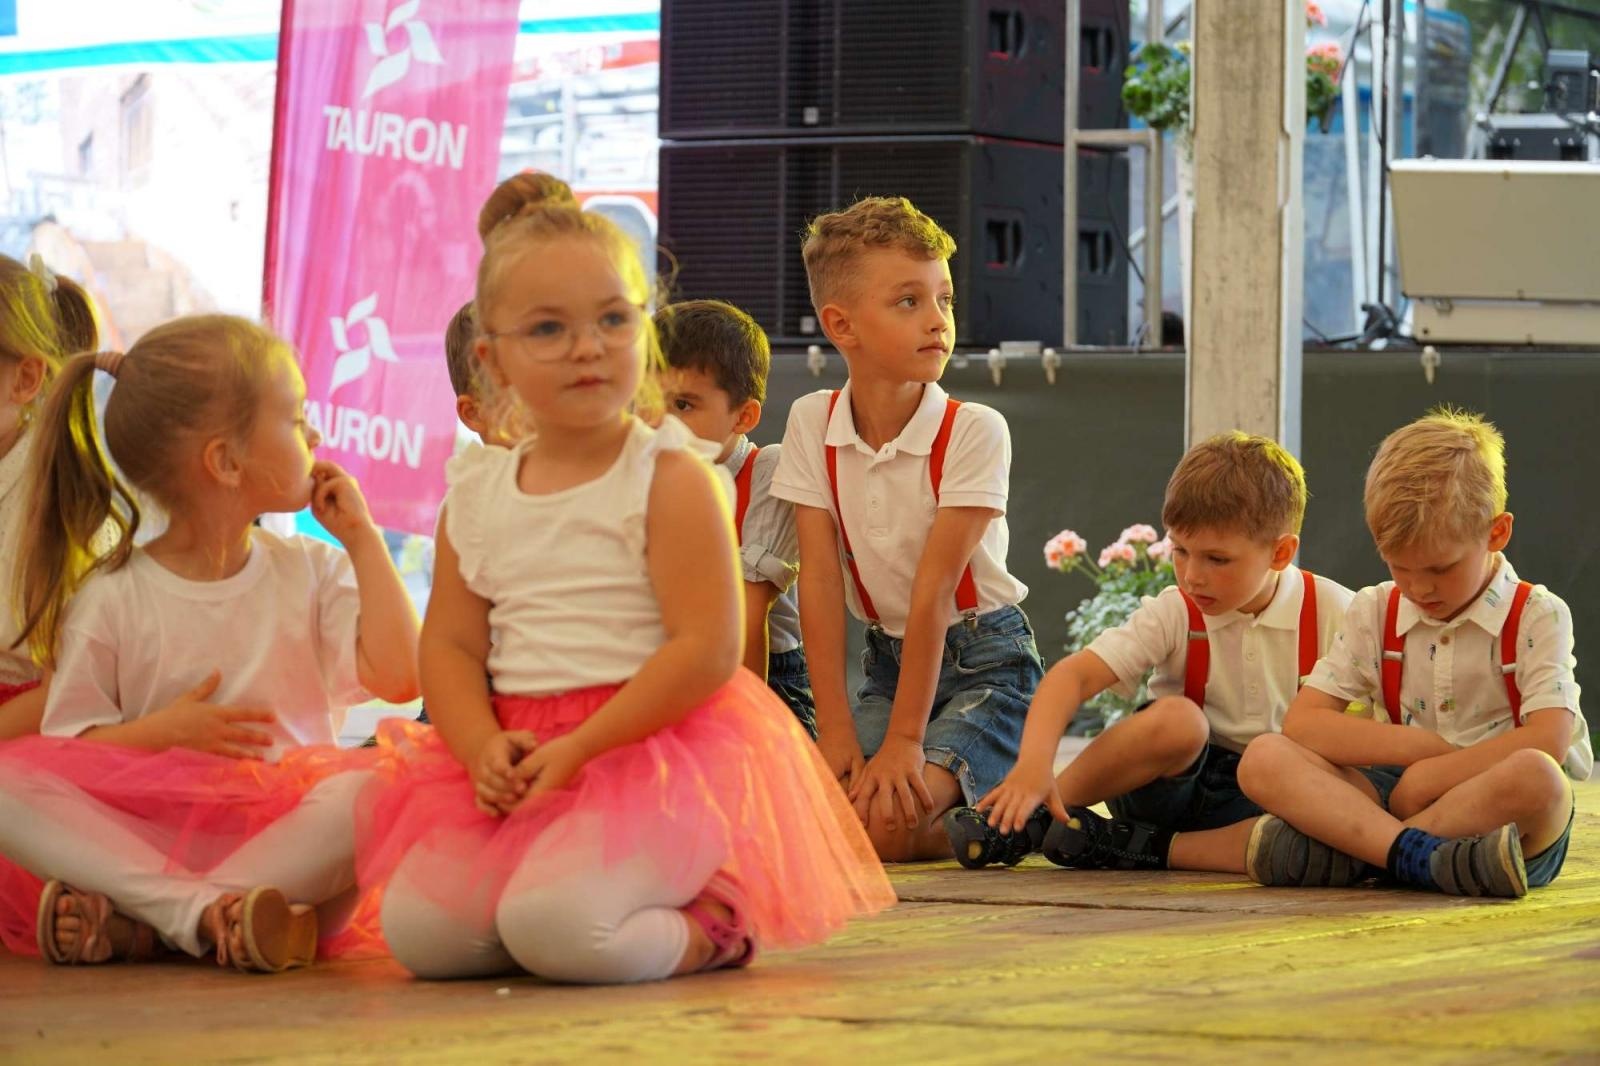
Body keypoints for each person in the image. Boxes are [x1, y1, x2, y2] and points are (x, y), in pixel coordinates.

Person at [358, 176, 893, 984]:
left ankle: (714, 925)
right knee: (423, 934)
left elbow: (706, 650)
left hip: (654, 750)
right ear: (488, 357)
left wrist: (580, 749)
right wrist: (477, 747)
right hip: (525, 747)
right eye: (548, 328)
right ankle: (547, 891)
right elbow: (453, 647)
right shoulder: (476, 491)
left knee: (560, 930)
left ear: (643, 330)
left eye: (614, 319)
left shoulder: (671, 477)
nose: (587, 346)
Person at [0, 314, 419, 970]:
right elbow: (68, 750)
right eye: (296, 417)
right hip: (144, 843)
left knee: (371, 792)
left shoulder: (313, 569)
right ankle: (205, 915)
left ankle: (156, 926)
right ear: (226, 461)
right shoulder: (112, 598)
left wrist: (363, 538)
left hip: (285, 845)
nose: (313, 433)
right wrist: (166, 731)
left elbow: (401, 677)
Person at [770, 196, 1044, 862]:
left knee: (882, 833)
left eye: (944, 300)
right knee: (812, 815)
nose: (937, 321)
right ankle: (991, 801)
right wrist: (835, 730)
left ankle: (1020, 806)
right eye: (908, 302)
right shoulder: (812, 420)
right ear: (843, 326)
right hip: (890, 669)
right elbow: (820, 578)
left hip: (988, 666)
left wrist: (902, 743)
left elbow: (934, 591)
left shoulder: (975, 429)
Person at [950, 433, 1354, 874]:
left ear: (1281, 553)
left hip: (1263, 803)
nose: (1192, 576)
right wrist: (1032, 768)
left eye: (1217, 560)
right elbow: (1074, 678)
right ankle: (1035, 815)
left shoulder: (1336, 611)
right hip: (1170, 787)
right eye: (1180, 551)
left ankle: (1124, 846)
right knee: (1178, 721)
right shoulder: (1176, 610)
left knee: (1322, 819)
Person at [1238, 409, 1590, 898]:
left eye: (1441, 568)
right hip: (1396, 796)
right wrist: (1418, 752)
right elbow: (1305, 724)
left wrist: (1438, 775)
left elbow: (1549, 739)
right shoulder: (1376, 608)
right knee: (1263, 757)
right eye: (1399, 567)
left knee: (1540, 780)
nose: (1420, 588)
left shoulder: (1537, 614)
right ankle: (1420, 859)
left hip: (1498, 813)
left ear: (1497, 532)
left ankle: (1360, 853)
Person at [656, 298, 816, 737]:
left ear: (743, 416)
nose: (660, 424)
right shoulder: (639, 473)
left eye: (684, 406)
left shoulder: (767, 472)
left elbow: (748, 617)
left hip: (761, 677)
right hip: (661, 669)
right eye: (647, 402)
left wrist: (737, 733)